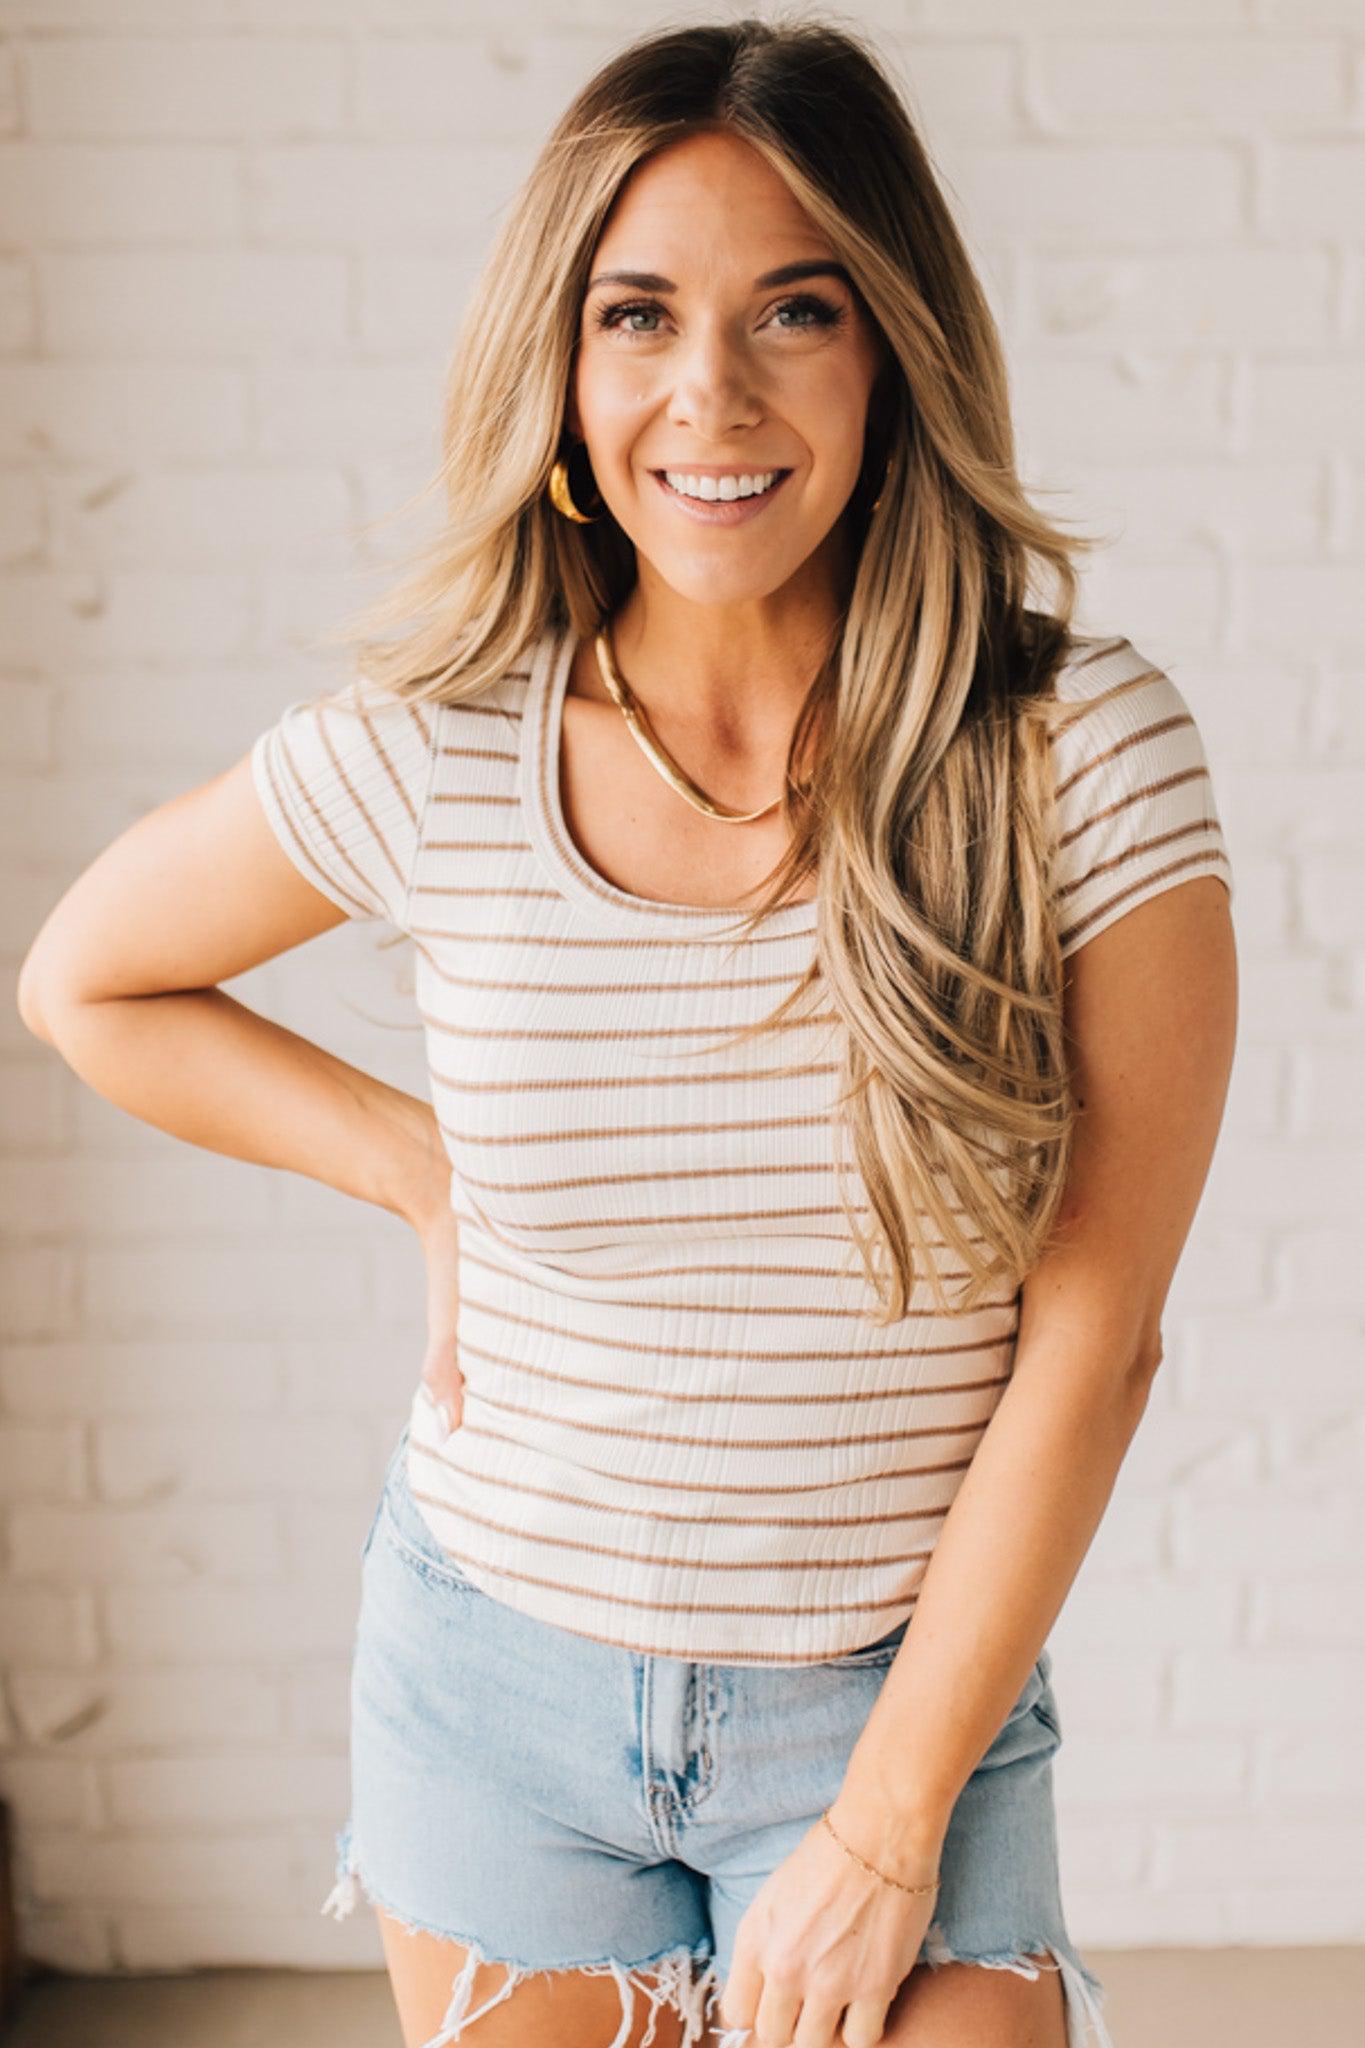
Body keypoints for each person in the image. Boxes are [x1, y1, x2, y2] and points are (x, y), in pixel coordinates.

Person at [16, 16, 1238, 2048]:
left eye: (794, 312)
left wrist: (885, 1815)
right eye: (638, 314)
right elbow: (88, 979)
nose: (710, 393)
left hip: (890, 1681)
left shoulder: (1070, 755)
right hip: (496, 1684)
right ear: (563, 372)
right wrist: (418, 1166)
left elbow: (1091, 1340)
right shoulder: (438, 749)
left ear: (893, 351)